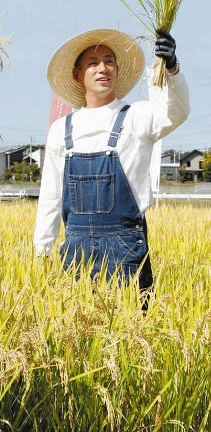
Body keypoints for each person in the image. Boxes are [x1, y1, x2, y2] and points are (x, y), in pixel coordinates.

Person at [34, 27, 189, 291]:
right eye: (92, 63)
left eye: (109, 61)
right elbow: (50, 195)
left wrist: (172, 68)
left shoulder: (138, 116)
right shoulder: (61, 129)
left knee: (131, 325)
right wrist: (42, 251)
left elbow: (175, 113)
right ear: (77, 74)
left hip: (125, 247)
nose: (102, 68)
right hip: (76, 248)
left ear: (117, 70)